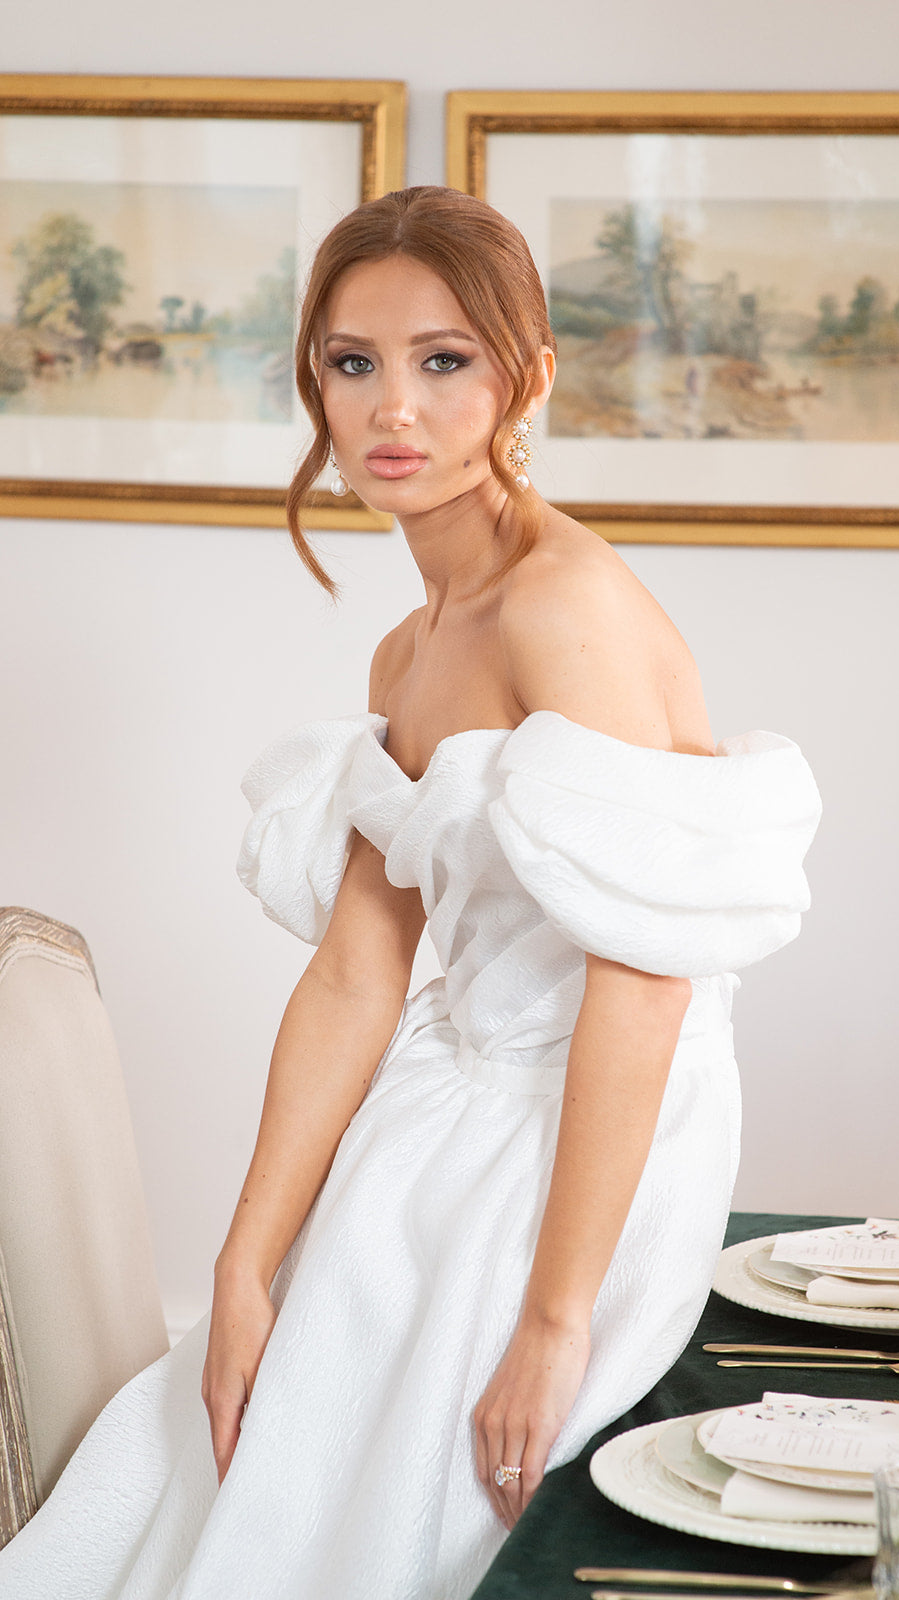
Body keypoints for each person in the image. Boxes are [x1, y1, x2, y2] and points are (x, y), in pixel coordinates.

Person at [0, 186, 821, 1600]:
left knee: (425, 1491)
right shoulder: (406, 651)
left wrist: (554, 1321)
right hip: (446, 1105)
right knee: (229, 1442)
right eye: (350, 361)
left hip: (593, 1125)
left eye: (445, 361)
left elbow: (643, 973)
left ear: (529, 372)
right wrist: (247, 1264)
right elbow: (355, 974)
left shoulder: (565, 609)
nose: (393, 409)